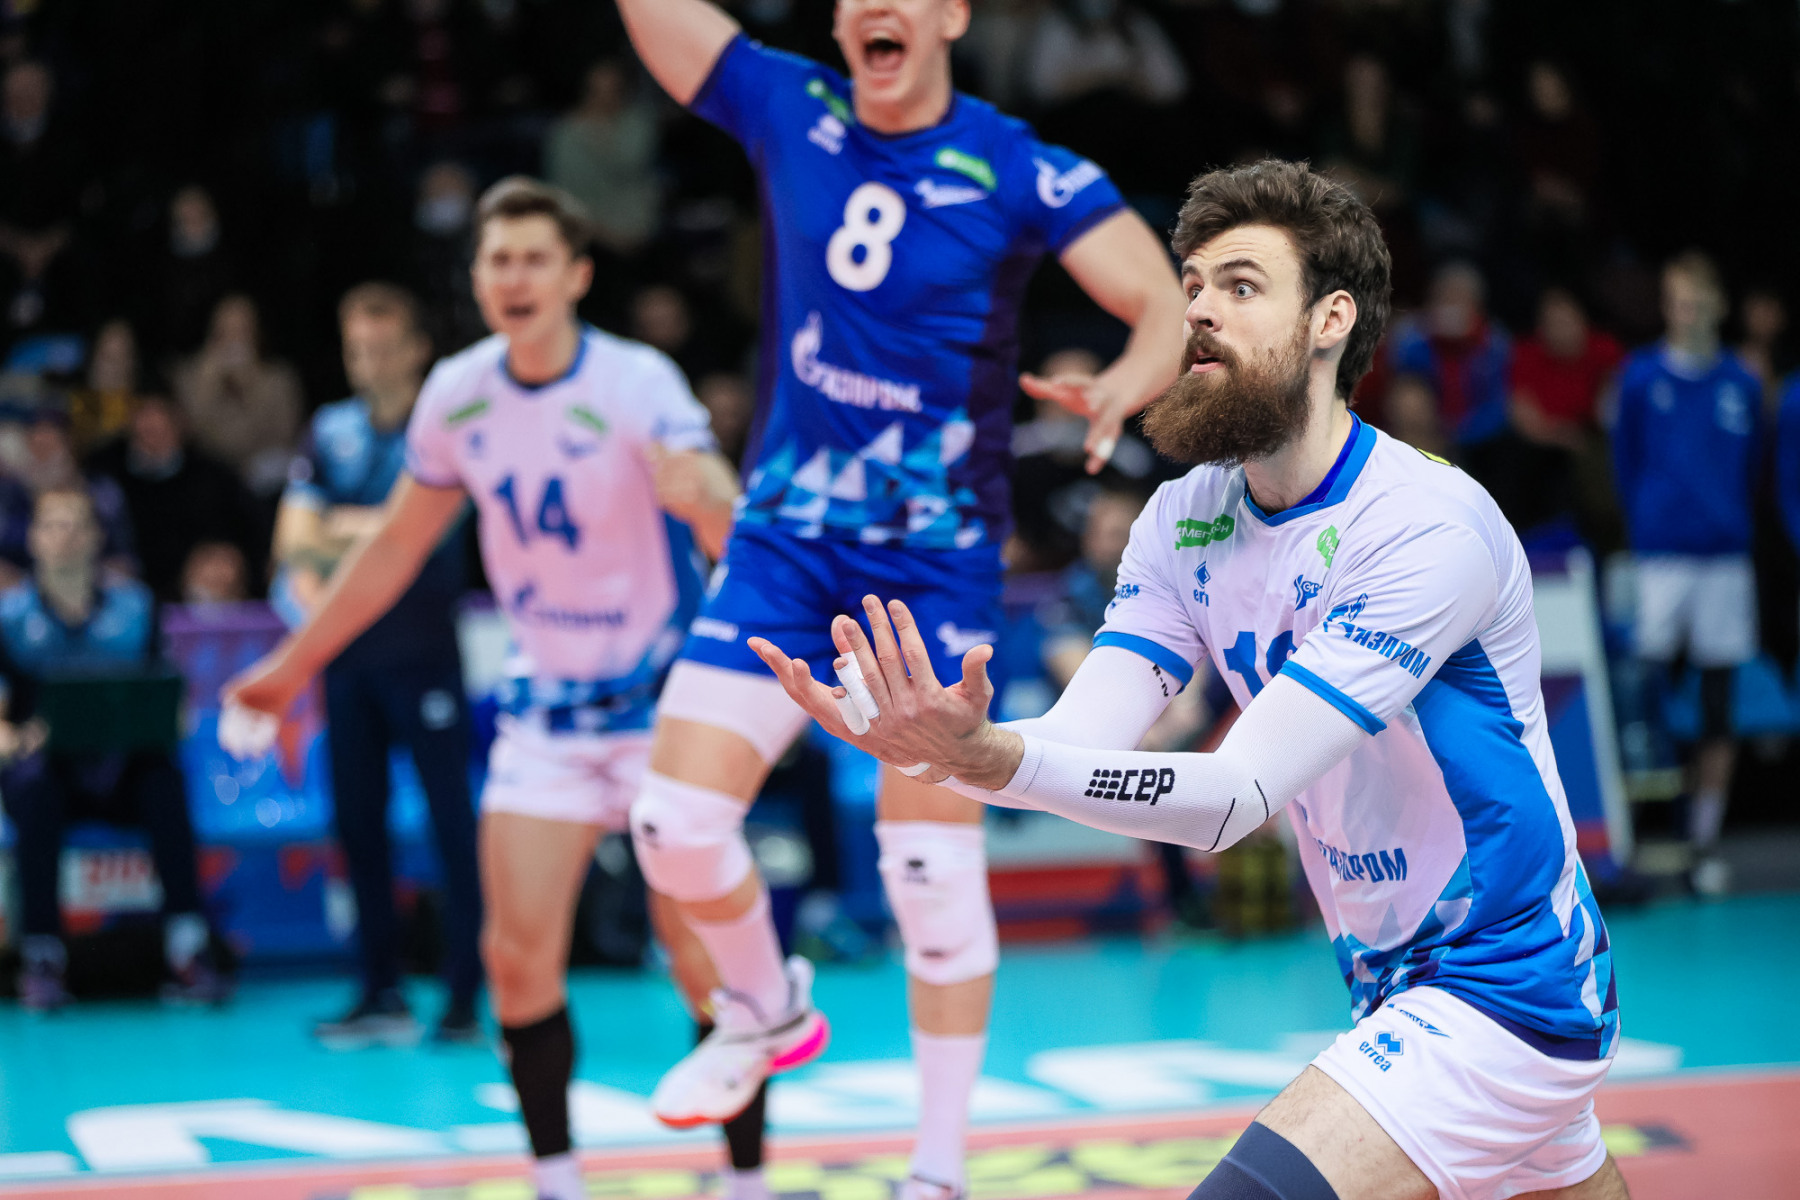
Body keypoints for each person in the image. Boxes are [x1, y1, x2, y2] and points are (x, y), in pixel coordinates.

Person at [755, 160, 1628, 1200]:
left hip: (1505, 983)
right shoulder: (1185, 518)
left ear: (1330, 321)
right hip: (1388, 983)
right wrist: (948, 750)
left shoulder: (1423, 526)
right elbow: (1083, 739)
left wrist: (996, 762)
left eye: (1242, 286)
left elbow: (1233, 798)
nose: (1200, 310)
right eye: (1194, 286)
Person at [615, 6, 1187, 1200]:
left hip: (933, 558)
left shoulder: (1016, 163)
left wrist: (1125, 385)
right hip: (787, 538)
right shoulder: (791, 105)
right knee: (671, 823)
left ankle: (936, 1174)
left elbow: (1161, 306)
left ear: (949, 16)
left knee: (927, 867)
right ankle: (765, 1007)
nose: (876, 7)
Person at [221, 177, 738, 1200]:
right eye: (498, 260)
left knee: (700, 957)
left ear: (576, 275)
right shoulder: (458, 392)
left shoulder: (638, 381)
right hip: (542, 713)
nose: (515, 277)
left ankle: (748, 1180)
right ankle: (557, 1181)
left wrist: (710, 497)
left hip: (657, 708)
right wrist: (290, 669)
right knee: (516, 963)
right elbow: (394, 548)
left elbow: (723, 512)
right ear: (476, 278)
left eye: (535, 258)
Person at [276, 282, 483, 1048]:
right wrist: (387, 532)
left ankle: (463, 996)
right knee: (358, 827)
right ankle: (379, 991)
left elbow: (432, 533)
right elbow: (294, 542)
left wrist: (344, 531)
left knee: (451, 825)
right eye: (357, 349)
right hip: (349, 657)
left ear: (418, 350)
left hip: (424, 656)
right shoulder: (329, 429)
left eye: (385, 347)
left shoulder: (447, 427)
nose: (370, 362)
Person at [0, 487, 228, 1011]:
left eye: (76, 524)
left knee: (164, 780)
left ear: (96, 538)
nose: (65, 536)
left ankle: (188, 946)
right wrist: (19, 738)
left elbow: (173, 703)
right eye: (52, 525)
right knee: (34, 788)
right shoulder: (10, 620)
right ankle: (42, 954)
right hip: (50, 774)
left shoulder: (135, 610)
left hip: (123, 767)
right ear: (33, 539)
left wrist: (169, 719)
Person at [1611, 252, 1761, 897]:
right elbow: (1625, 462)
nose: (1689, 312)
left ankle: (1703, 843)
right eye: (1678, 301)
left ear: (1718, 305)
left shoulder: (1742, 383)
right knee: (1644, 696)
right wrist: (1650, 526)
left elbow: (1752, 469)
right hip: (1661, 560)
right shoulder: (1641, 378)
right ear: (1667, 307)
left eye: (1698, 301)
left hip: (1725, 561)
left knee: (1718, 704)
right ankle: (1641, 840)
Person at [85, 392, 265, 602]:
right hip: (125, 595)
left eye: (161, 429)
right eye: (146, 430)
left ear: (180, 427)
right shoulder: (105, 473)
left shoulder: (214, 477)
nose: (152, 438)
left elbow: (251, 536)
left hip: (197, 597)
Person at [173, 293, 303, 496]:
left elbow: (284, 437)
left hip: (262, 480)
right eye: (224, 332)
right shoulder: (189, 377)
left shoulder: (279, 379)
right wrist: (209, 385)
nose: (233, 341)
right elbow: (187, 435)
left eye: (242, 331)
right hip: (207, 477)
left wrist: (252, 388)